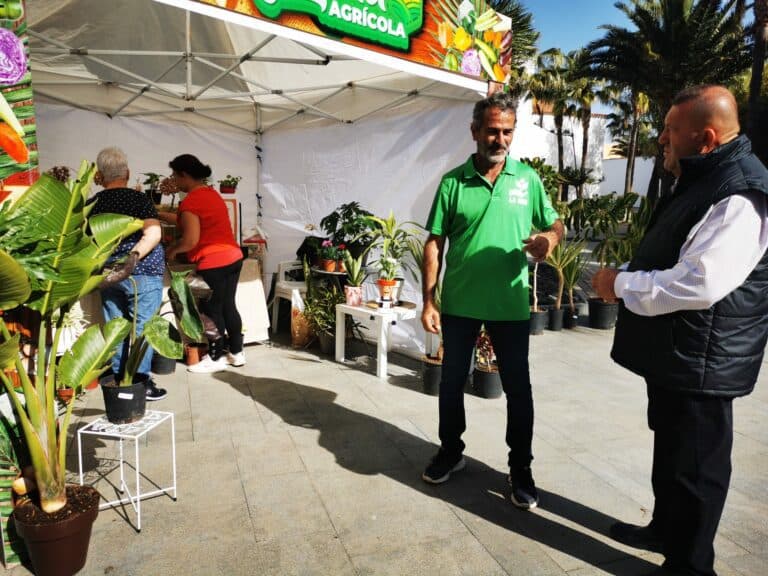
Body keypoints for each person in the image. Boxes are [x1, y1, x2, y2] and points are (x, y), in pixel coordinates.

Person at [592, 85, 768, 576]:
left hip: (704, 363)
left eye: (671, 130)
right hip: (681, 354)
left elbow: (699, 282)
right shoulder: (702, 179)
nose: (662, 138)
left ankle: (690, 566)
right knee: (671, 451)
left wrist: (619, 284)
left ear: (706, 139)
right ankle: (665, 531)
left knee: (695, 468)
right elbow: (675, 252)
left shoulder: (740, 194)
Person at [420, 91, 564, 509]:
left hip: (510, 305)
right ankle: (451, 451)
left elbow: (555, 223)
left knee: (518, 390)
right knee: (451, 383)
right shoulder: (453, 182)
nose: (500, 140)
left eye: (507, 132)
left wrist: (549, 239)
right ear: (474, 131)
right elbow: (434, 243)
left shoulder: (527, 179)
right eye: (492, 131)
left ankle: (521, 468)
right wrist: (429, 300)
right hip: (459, 304)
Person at [90, 147, 167, 401]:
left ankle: (119, 380)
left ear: (100, 176)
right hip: (141, 272)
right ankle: (140, 382)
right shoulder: (138, 200)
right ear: (127, 173)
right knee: (142, 328)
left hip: (108, 275)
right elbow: (153, 233)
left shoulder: (93, 204)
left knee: (116, 327)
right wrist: (132, 258)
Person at [160, 154, 245, 373]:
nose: (174, 181)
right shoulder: (211, 194)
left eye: (175, 176)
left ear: (184, 175)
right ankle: (236, 352)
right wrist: (159, 213)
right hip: (233, 256)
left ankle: (215, 358)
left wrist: (172, 250)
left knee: (211, 310)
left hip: (213, 262)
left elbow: (190, 240)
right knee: (228, 305)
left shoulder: (190, 201)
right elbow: (185, 219)